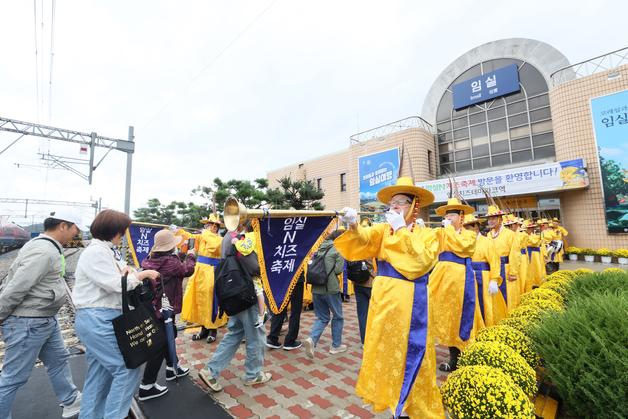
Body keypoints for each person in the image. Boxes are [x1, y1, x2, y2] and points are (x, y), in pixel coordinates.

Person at [333, 177, 445, 419]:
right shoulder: (383, 230)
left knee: (411, 350)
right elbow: (363, 239)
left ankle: (411, 403)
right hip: (384, 299)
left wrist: (403, 230)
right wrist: (353, 225)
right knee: (386, 349)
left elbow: (421, 262)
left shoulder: (429, 234)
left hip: (412, 301)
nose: (393, 207)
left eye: (400, 202)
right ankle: (393, 399)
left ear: (414, 206)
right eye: (391, 203)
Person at [73, 209, 160, 419]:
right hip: (98, 319)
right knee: (127, 370)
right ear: (114, 231)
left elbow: (123, 273)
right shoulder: (96, 253)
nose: (122, 235)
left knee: (99, 374)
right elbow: (116, 284)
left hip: (100, 318)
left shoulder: (106, 250)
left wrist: (131, 274)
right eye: (122, 231)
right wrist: (143, 274)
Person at [0, 209, 87, 419]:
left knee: (58, 360)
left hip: (44, 319)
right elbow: (17, 286)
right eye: (75, 228)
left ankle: (70, 400)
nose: (76, 234)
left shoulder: (45, 247)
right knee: (13, 377)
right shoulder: (44, 251)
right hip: (29, 321)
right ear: (63, 225)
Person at [197, 222, 271, 393]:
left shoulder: (227, 238)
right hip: (247, 293)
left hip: (232, 293)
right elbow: (255, 268)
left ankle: (210, 371)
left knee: (234, 334)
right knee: (256, 336)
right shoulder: (246, 238)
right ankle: (253, 374)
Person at [137, 229, 196, 401]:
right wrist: (191, 255)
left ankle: (172, 367)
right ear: (170, 246)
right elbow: (187, 270)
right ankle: (147, 385)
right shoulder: (171, 261)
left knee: (170, 334)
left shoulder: (150, 259)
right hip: (164, 307)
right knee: (162, 342)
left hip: (152, 306)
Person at [429, 197, 479, 373]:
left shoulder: (469, 235)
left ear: (461, 216)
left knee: (459, 315)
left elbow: (463, 247)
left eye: (452, 214)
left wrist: (448, 231)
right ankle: (450, 354)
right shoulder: (442, 232)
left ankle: (459, 356)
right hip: (441, 278)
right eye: (447, 214)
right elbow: (430, 246)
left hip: (460, 279)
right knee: (441, 313)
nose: (449, 217)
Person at [177, 214, 227, 343]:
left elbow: (214, 246)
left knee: (210, 300)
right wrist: (177, 231)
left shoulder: (219, 239)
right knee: (198, 299)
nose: (213, 227)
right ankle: (203, 328)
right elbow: (189, 237)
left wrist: (205, 233)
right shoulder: (202, 235)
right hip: (199, 271)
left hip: (212, 271)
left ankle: (213, 329)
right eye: (211, 224)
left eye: (216, 225)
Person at [303, 229, 347, 358]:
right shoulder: (338, 249)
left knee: (322, 317)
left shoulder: (319, 248)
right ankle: (336, 346)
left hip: (316, 288)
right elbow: (338, 270)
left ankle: (312, 339)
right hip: (330, 288)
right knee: (338, 316)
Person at [463, 214, 504, 328]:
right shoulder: (463, 243)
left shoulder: (487, 242)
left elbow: (495, 261)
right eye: (464, 228)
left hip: (483, 278)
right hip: (468, 278)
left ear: (476, 227)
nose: (465, 231)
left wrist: (494, 279)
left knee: (485, 306)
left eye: (468, 228)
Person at [485, 204, 520, 319]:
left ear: (500, 219)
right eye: (489, 219)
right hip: (492, 270)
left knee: (508, 297)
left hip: (505, 268)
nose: (491, 221)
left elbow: (515, 254)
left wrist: (513, 272)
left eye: (493, 218)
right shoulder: (488, 235)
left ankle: (510, 319)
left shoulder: (510, 234)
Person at [266, 271, 304, 350]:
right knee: (295, 311)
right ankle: (290, 341)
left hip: (281, 279)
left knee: (280, 308)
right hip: (296, 278)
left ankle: (272, 338)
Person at [523, 220, 546, 292]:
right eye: (529, 228)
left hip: (536, 254)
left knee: (538, 268)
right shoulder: (525, 235)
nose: (531, 229)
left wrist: (540, 235)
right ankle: (533, 283)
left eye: (532, 228)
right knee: (532, 268)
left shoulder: (532, 235)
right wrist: (539, 237)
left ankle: (538, 282)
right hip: (531, 253)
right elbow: (534, 242)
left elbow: (539, 242)